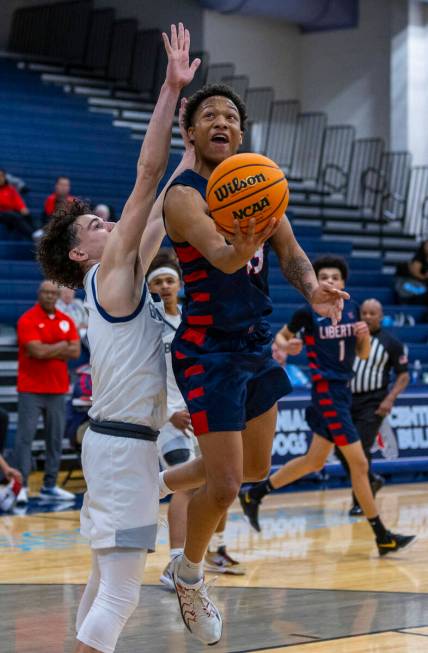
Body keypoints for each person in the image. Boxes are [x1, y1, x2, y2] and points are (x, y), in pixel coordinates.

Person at [160, 84, 348, 645]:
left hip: (254, 344)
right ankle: (188, 577)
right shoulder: (184, 196)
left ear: (241, 134)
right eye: (209, 115)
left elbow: (289, 252)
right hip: (207, 349)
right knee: (222, 490)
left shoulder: (261, 181)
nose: (222, 122)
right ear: (190, 132)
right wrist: (248, 235)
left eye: (232, 117)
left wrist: (313, 287)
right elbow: (222, 257)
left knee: (254, 471)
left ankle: (159, 481)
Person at [37, 23, 200, 653]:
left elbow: (162, 206)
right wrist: (169, 89)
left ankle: (221, 476)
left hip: (123, 445)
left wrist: (194, 152)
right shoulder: (109, 277)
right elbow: (146, 177)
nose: (108, 221)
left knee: (102, 580)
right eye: (95, 223)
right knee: (121, 595)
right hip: (123, 447)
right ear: (81, 251)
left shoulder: (124, 271)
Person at [239, 256, 415, 556]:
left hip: (343, 392)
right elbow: (282, 336)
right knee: (359, 465)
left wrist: (363, 339)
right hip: (326, 392)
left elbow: (362, 354)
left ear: (343, 283)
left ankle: (255, 493)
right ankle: (382, 535)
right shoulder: (307, 312)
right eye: (324, 277)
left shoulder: (354, 310)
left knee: (314, 461)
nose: (330, 281)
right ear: (317, 281)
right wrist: (286, 346)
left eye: (336, 277)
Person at [147, 252, 244, 590]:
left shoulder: (190, 320)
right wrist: (165, 413)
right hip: (166, 417)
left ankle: (207, 552)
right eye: (156, 282)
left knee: (214, 481)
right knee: (185, 483)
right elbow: (146, 377)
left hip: (196, 412)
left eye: (168, 280)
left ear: (179, 284)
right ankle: (175, 561)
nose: (163, 286)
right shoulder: (149, 324)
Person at [337, 298, 410, 515]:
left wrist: (389, 399)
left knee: (360, 449)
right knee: (342, 448)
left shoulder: (391, 343)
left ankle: (359, 501)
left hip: (373, 402)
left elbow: (403, 376)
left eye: (372, 313)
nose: (367, 317)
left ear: (381, 316)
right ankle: (371, 481)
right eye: (364, 313)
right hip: (348, 400)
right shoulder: (351, 338)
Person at [13, 280, 80, 505]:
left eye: (54, 293)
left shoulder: (66, 320)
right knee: (25, 438)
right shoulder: (28, 319)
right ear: (39, 294)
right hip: (31, 389)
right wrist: (62, 346)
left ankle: (49, 485)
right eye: (46, 292)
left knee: (54, 440)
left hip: (58, 389)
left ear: (58, 296)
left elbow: (76, 350)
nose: (50, 296)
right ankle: (20, 486)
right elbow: (36, 351)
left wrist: (48, 349)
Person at [0, 168, 35, 239]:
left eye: (2, 176)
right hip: (3, 212)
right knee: (13, 215)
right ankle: (33, 235)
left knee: (26, 214)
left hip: (10, 213)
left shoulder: (10, 189)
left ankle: (36, 231)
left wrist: (22, 208)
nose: (0, 178)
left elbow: (18, 201)